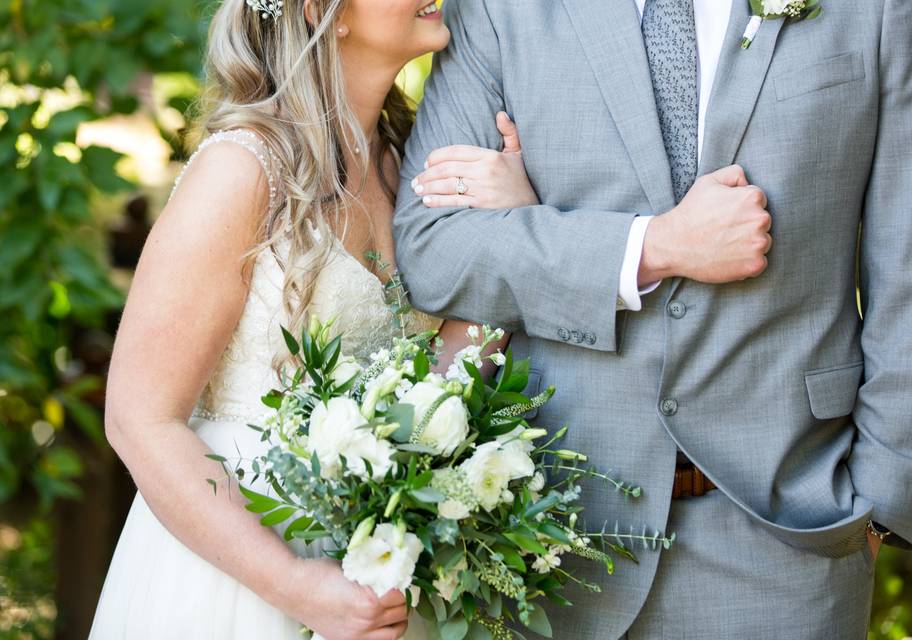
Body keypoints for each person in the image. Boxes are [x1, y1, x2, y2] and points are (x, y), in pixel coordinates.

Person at [394, 0, 912, 638]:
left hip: (791, 541)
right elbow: (433, 250)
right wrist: (652, 247)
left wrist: (885, 504)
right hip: (554, 542)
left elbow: (904, 269)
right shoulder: (501, 10)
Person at [88, 1, 514, 638]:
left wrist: (514, 227)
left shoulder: (419, 164)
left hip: (382, 576)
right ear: (324, 10)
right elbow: (139, 418)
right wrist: (294, 586)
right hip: (235, 578)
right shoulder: (242, 169)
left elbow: (449, 379)